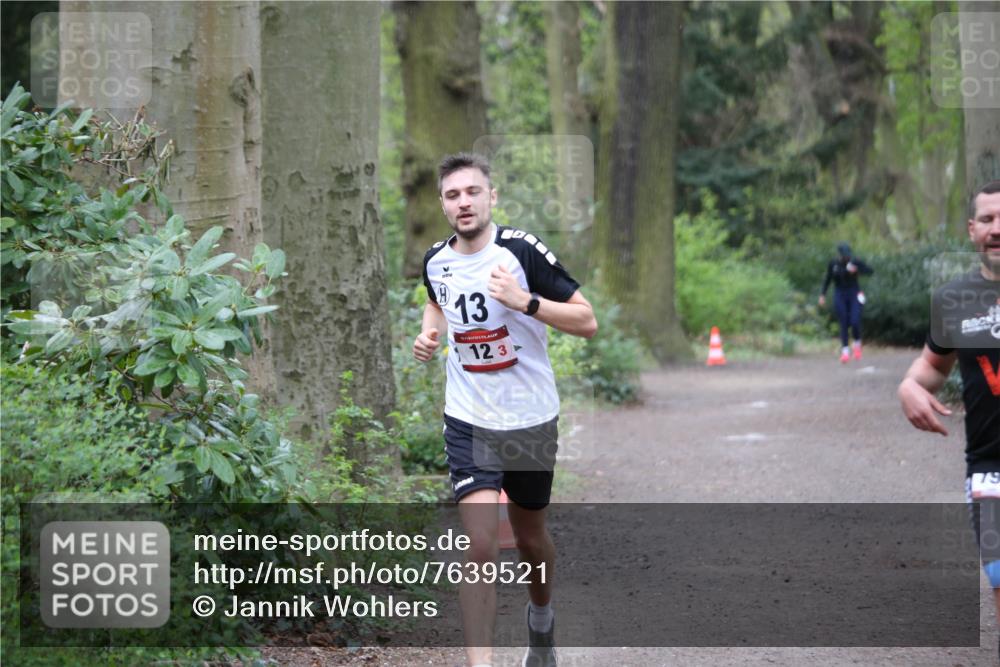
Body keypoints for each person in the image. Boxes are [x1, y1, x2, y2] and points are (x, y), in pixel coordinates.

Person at [412, 152, 597, 667]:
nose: (464, 202)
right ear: (443, 205)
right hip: (469, 418)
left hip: (529, 418)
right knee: (479, 542)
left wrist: (525, 302)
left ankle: (541, 623)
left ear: (492, 196)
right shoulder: (435, 259)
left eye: (473, 192)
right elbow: (436, 299)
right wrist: (431, 333)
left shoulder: (521, 252)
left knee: (532, 537)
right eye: (453, 195)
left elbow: (587, 320)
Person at [898, 180, 1000, 657]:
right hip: (989, 466)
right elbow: (931, 367)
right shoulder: (954, 299)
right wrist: (909, 386)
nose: (997, 229)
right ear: (972, 229)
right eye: (988, 219)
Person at [819, 241, 874, 362]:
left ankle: (857, 344)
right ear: (840, 254)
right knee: (843, 320)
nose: (847, 257)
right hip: (840, 294)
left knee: (854, 320)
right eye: (845, 255)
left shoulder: (855, 262)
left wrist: (857, 270)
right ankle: (845, 352)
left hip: (854, 293)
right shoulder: (833, 264)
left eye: (848, 255)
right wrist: (822, 294)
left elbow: (870, 271)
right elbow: (828, 279)